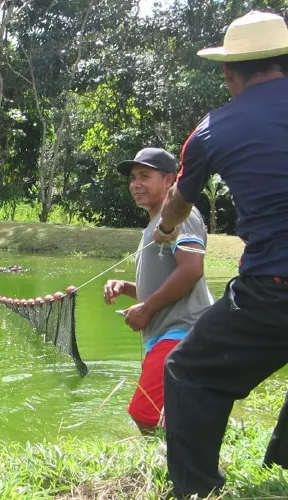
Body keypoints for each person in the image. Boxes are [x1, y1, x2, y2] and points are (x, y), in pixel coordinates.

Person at [152, 11, 288, 498]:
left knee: (187, 371)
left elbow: (178, 201)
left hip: (274, 287)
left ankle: (195, 488)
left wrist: (166, 229)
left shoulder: (212, 128)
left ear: (230, 72)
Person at [104, 147, 213, 435]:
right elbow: (166, 279)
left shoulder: (180, 214)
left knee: (144, 412)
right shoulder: (154, 224)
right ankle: (178, 460)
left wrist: (147, 308)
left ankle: (170, 466)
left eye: (144, 176)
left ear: (169, 181)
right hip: (167, 333)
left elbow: (191, 270)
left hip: (182, 331)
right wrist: (127, 289)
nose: (135, 184)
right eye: (132, 178)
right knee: (164, 412)